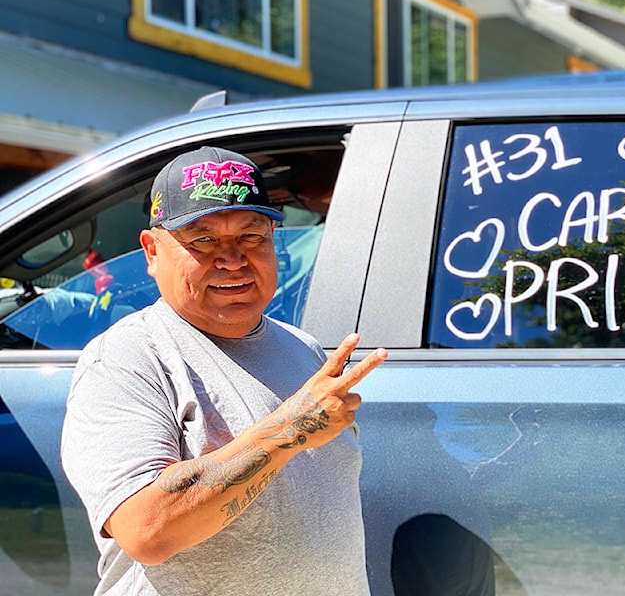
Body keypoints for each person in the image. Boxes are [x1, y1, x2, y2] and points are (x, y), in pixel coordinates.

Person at [60, 146, 387, 595]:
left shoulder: (303, 348)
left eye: (253, 236)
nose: (233, 259)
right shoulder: (126, 358)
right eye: (203, 240)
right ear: (152, 251)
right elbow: (147, 530)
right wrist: (292, 427)